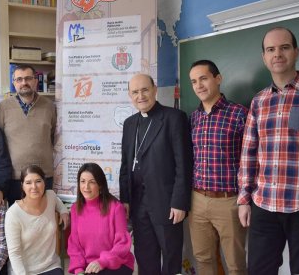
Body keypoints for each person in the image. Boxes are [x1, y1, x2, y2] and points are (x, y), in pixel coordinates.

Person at [238, 27, 299, 274]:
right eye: (271, 49)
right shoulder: (259, 101)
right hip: (264, 204)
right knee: (259, 269)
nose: (277, 54)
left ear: (296, 52)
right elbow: (249, 153)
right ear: (264, 58)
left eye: (284, 47)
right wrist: (244, 199)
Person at [119, 74, 193, 275]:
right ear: (129, 95)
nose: (140, 96)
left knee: (171, 259)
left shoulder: (174, 118)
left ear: (154, 90)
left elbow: (183, 165)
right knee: (145, 259)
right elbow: (125, 165)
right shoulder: (129, 124)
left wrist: (179, 202)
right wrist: (125, 200)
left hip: (167, 204)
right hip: (138, 205)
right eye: (135, 92)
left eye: (144, 90)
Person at [189, 60, 248, 275]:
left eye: (203, 78)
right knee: (203, 259)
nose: (198, 85)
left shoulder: (239, 114)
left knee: (235, 264)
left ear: (218, 78)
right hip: (197, 201)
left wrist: (245, 199)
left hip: (229, 201)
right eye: (194, 81)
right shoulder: (193, 118)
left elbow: (250, 161)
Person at [0, 64, 57, 206]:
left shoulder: (49, 106)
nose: (24, 83)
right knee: (18, 222)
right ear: (14, 83)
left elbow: (53, 136)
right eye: (19, 79)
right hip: (15, 178)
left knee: (44, 220)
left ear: (36, 81)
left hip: (44, 176)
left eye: (28, 78)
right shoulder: (3, 107)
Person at [68, 163, 135, 275]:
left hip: (116, 263)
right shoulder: (75, 209)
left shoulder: (116, 207)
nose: (86, 187)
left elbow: (122, 243)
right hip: (89, 266)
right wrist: (78, 269)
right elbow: (74, 245)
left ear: (100, 185)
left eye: (92, 182)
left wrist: (102, 261)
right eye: (83, 181)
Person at [5, 165, 69, 275]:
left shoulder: (51, 196)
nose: (34, 186)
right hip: (24, 270)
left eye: (38, 181)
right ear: (22, 186)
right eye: (28, 182)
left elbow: (58, 202)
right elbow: (14, 253)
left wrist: (64, 212)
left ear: (44, 182)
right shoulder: (13, 214)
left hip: (51, 266)